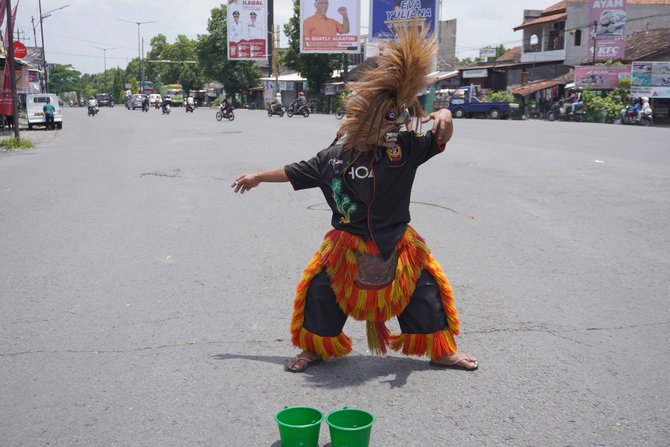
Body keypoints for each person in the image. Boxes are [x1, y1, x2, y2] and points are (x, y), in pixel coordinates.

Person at [232, 25, 477, 373]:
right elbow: (292, 171)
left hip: (397, 243)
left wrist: (445, 115)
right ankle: (315, 348)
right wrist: (257, 176)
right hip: (346, 247)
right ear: (368, 117)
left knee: (424, 289)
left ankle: (441, 351)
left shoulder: (405, 149)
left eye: (401, 116)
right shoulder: (332, 157)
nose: (398, 124)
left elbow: (441, 138)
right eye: (390, 118)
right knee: (320, 291)